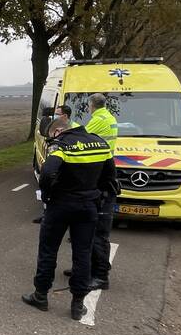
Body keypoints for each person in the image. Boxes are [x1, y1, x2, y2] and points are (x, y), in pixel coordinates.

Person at [22, 117, 115, 320]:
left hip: (60, 205)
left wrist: (47, 194)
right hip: (89, 207)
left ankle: (41, 296)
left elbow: (47, 172)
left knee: (48, 250)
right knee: (82, 254)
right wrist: (96, 193)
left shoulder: (61, 146)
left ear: (57, 131)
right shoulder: (100, 143)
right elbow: (110, 176)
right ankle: (77, 304)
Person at [79, 93, 119, 290]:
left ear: (91, 105)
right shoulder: (110, 117)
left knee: (98, 233)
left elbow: (82, 137)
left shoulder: (98, 119)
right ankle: (87, 266)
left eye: (88, 105)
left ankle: (101, 276)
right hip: (105, 169)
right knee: (89, 230)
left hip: (101, 177)